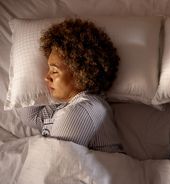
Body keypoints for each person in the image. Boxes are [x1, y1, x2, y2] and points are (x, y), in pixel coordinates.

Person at [18, 19, 123, 153]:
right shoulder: (60, 107)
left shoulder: (88, 108)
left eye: (54, 71)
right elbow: (30, 118)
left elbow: (56, 163)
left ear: (80, 72)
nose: (46, 77)